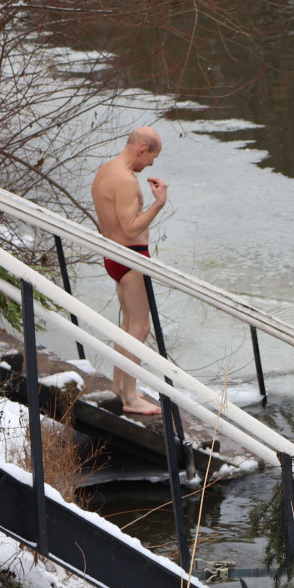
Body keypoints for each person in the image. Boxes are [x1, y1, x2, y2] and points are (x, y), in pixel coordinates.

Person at [91, 127, 168, 416]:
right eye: (152, 157)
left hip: (114, 256)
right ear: (141, 149)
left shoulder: (105, 171)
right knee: (141, 327)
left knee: (127, 325)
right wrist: (159, 203)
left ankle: (119, 387)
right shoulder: (124, 180)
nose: (150, 165)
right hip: (131, 257)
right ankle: (132, 397)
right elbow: (131, 227)